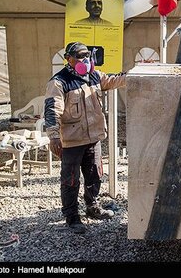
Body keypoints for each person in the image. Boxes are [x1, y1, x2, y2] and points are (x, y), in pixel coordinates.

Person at [44, 42, 125, 234]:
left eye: (86, 56)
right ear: (68, 59)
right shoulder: (59, 82)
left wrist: (133, 75)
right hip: (72, 141)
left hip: (93, 138)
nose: (84, 60)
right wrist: (54, 137)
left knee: (94, 175)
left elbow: (115, 80)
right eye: (79, 56)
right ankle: (72, 218)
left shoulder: (94, 76)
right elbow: (52, 111)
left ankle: (93, 207)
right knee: (70, 180)